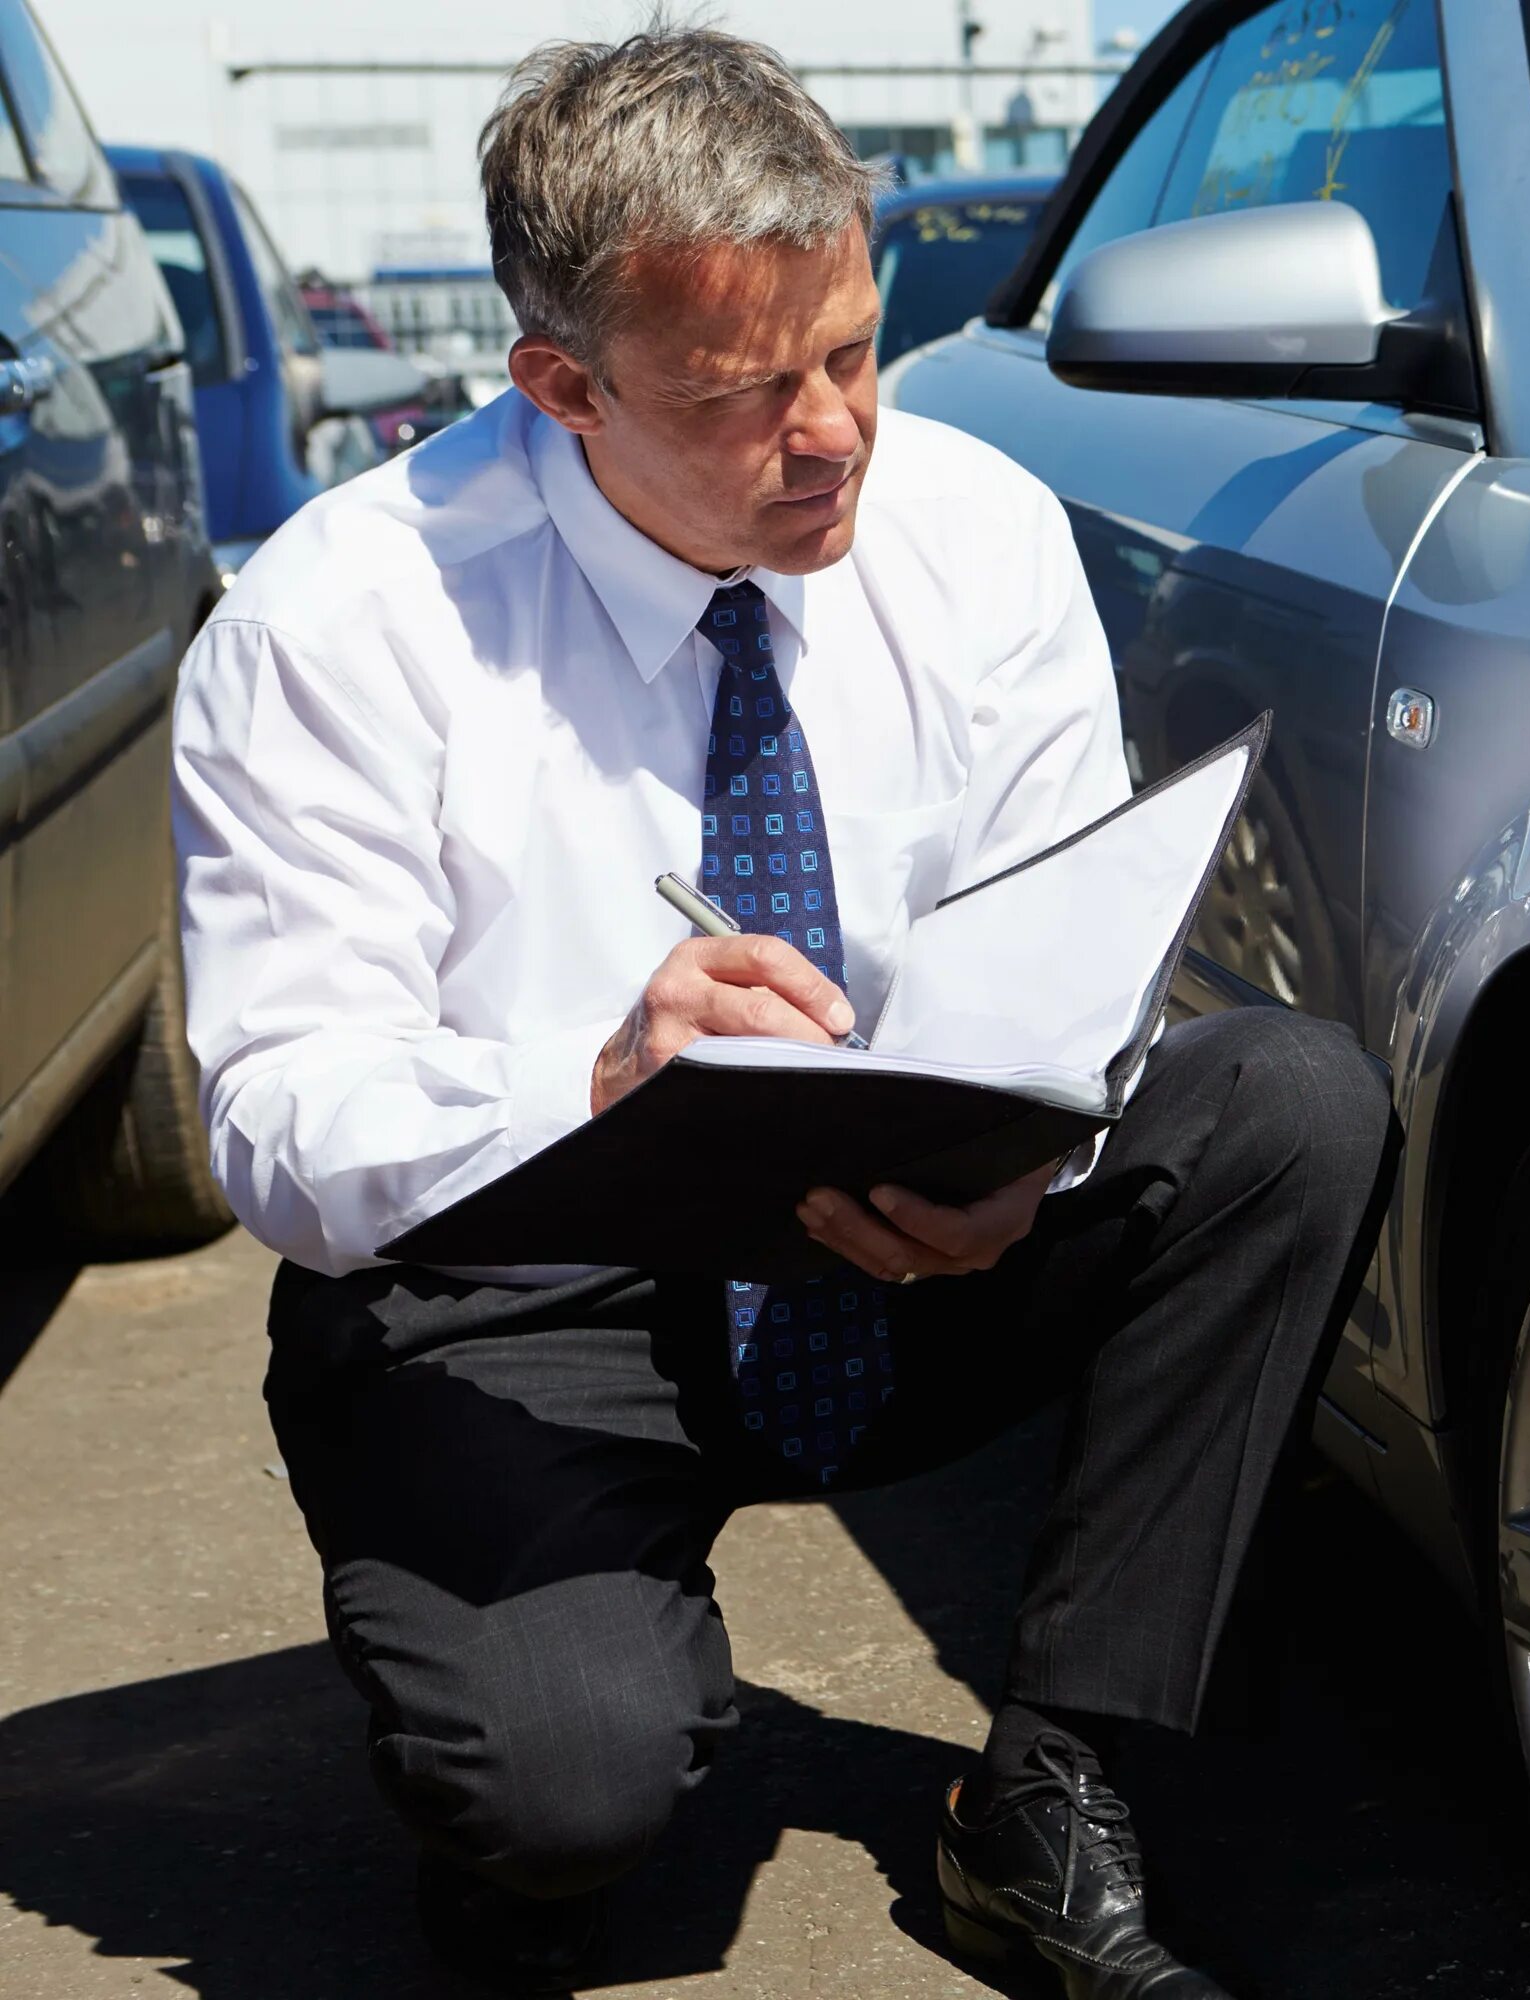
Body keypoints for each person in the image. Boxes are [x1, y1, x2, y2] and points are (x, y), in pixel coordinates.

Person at [169, 28, 1392, 1998]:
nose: (831, 432)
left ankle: (1055, 1790)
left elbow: (1074, 942)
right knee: (564, 1800)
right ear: (562, 388)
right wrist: (589, 1073)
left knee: (1291, 1105)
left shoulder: (976, 529)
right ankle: (548, 1705)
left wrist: (1044, 1147)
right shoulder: (340, 619)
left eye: (850, 349)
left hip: (903, 1235)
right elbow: (280, 1118)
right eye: (747, 393)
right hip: (527, 1284)